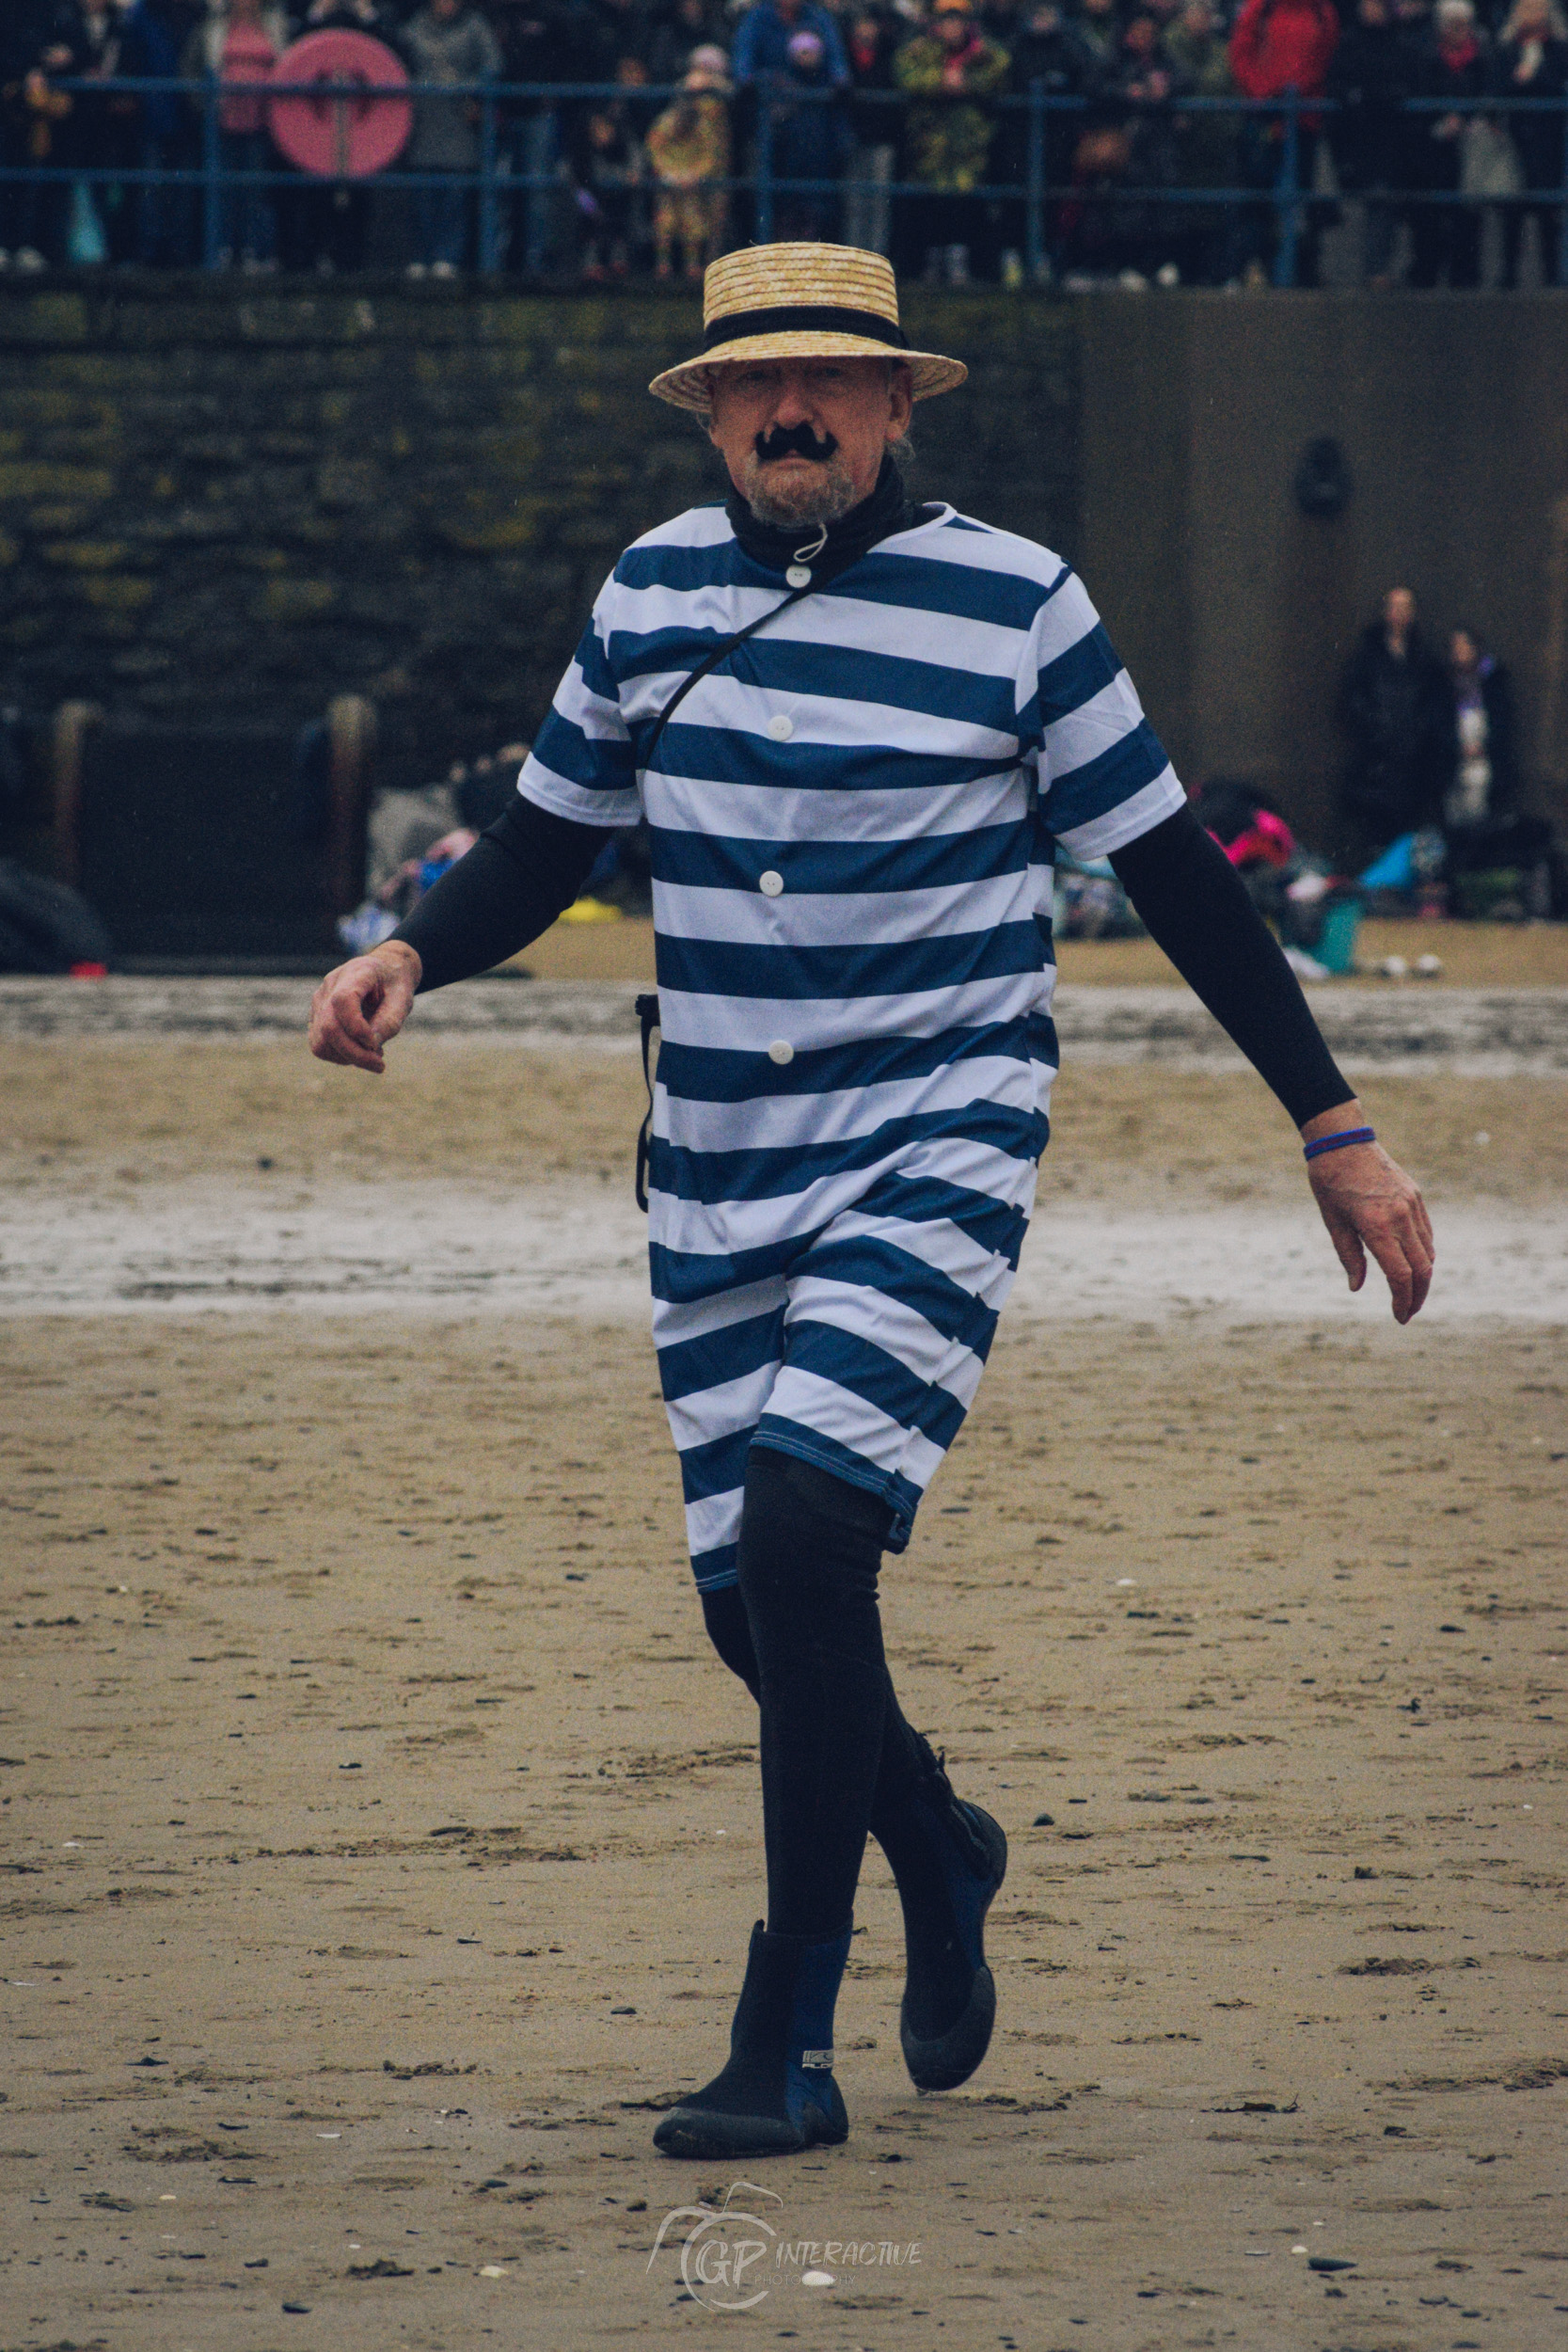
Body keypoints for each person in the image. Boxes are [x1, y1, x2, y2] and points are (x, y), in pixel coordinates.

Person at [309, 240, 1435, 2162]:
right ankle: (938, 1837)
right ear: (714, 410)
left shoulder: (1016, 603)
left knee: (808, 1533)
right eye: (754, 386)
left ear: (899, 401)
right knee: (753, 1609)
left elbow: (1169, 867)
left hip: (937, 1130)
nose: (790, 411)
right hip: (719, 1155)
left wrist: (1328, 1120)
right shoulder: (651, 591)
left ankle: (781, 2033)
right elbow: (546, 840)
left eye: (829, 380)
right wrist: (412, 952)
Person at [894, 0, 1011, 281]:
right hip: (929, 149)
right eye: (947, 19)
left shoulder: (985, 52)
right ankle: (930, 265)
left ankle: (962, 265)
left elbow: (1001, 71)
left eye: (958, 19)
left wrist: (967, 81)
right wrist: (939, 81)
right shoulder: (920, 49)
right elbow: (905, 72)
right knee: (928, 205)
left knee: (967, 206)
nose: (952, 26)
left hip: (970, 150)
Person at [1442, 625, 1554, 914]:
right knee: (1457, 832)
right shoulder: (1443, 684)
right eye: (1455, 648)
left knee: (1484, 833)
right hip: (1453, 772)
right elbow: (1435, 726)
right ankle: (1459, 897)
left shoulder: (1492, 680)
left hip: (1487, 773)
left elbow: (1503, 725)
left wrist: (1484, 747)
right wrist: (1455, 747)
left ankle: (1483, 897)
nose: (1460, 654)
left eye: (1464, 647)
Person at [1227, 0, 1339, 285]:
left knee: (1301, 196)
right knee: (1257, 194)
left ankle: (1301, 270)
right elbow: (1241, 53)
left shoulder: (1321, 10)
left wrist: (1295, 92)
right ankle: (1256, 268)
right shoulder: (1260, 8)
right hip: (1264, 118)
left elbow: (1325, 58)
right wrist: (1265, 95)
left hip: (1304, 119)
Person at [1337, 584, 1452, 859]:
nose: (1400, 614)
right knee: (1375, 835)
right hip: (1376, 765)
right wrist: (1377, 729)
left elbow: (1434, 704)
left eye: (1406, 607)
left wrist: (1418, 733)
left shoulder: (1423, 658)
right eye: (1394, 607)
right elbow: (1352, 701)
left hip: (1413, 766)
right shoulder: (1368, 656)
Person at [182, 0, 290, 268]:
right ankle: (223, 249)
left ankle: (255, 250)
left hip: (264, 122)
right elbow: (191, 68)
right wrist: (204, 106)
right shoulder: (213, 27)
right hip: (222, 122)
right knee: (224, 188)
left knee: (256, 188)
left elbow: (289, 64)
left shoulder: (276, 25)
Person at [401, 0, 503, 277]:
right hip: (424, 121)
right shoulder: (414, 27)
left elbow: (492, 66)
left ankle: (448, 255)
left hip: (459, 121)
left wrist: (464, 88)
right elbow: (400, 67)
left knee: (454, 194)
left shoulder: (474, 26)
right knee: (422, 195)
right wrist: (424, 85)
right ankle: (421, 255)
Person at [1328, 0, 1411, 287]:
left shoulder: (1398, 42)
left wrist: (1372, 96)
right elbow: (1337, 85)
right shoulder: (1349, 42)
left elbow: (1404, 84)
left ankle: (1379, 269)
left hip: (1389, 139)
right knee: (1375, 201)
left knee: (1385, 202)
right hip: (1358, 139)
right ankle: (1374, 269)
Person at [1406, 0, 1488, 288]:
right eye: (1453, 24)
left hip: (1469, 146)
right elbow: (1419, 93)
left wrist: (1465, 119)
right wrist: (1440, 122)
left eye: (1463, 24)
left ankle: (1465, 274)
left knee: (1467, 213)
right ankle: (1425, 271)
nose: (1459, 30)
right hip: (1433, 145)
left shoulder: (1480, 59)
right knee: (1428, 211)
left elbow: (1487, 94)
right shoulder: (1427, 57)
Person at [1493, 0, 1567, 288]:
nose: (1531, 15)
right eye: (1526, 9)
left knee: (1549, 214)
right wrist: (1519, 78)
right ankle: (1508, 274)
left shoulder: (1559, 49)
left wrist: (1535, 71)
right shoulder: (1507, 49)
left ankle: (1552, 277)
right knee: (1512, 210)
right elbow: (1498, 87)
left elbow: (1558, 86)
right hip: (1515, 140)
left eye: (1537, 9)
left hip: (1549, 141)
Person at [644, 51, 730, 278]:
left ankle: (699, 267)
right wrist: (667, 174)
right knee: (666, 222)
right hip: (671, 179)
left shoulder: (707, 120)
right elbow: (655, 149)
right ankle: (663, 265)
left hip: (701, 177)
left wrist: (695, 175)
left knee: (698, 222)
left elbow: (710, 153)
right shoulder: (667, 121)